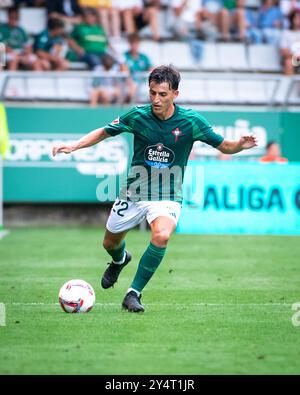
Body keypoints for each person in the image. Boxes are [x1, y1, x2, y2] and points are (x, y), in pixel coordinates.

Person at [52, 65, 257, 313]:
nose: (156, 99)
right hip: (134, 192)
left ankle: (133, 293)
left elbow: (224, 146)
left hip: (168, 194)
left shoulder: (191, 121)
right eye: (152, 93)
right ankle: (119, 260)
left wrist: (239, 145)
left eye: (162, 94)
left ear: (175, 94)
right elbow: (105, 132)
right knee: (109, 243)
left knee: (161, 235)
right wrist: (74, 146)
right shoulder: (138, 116)